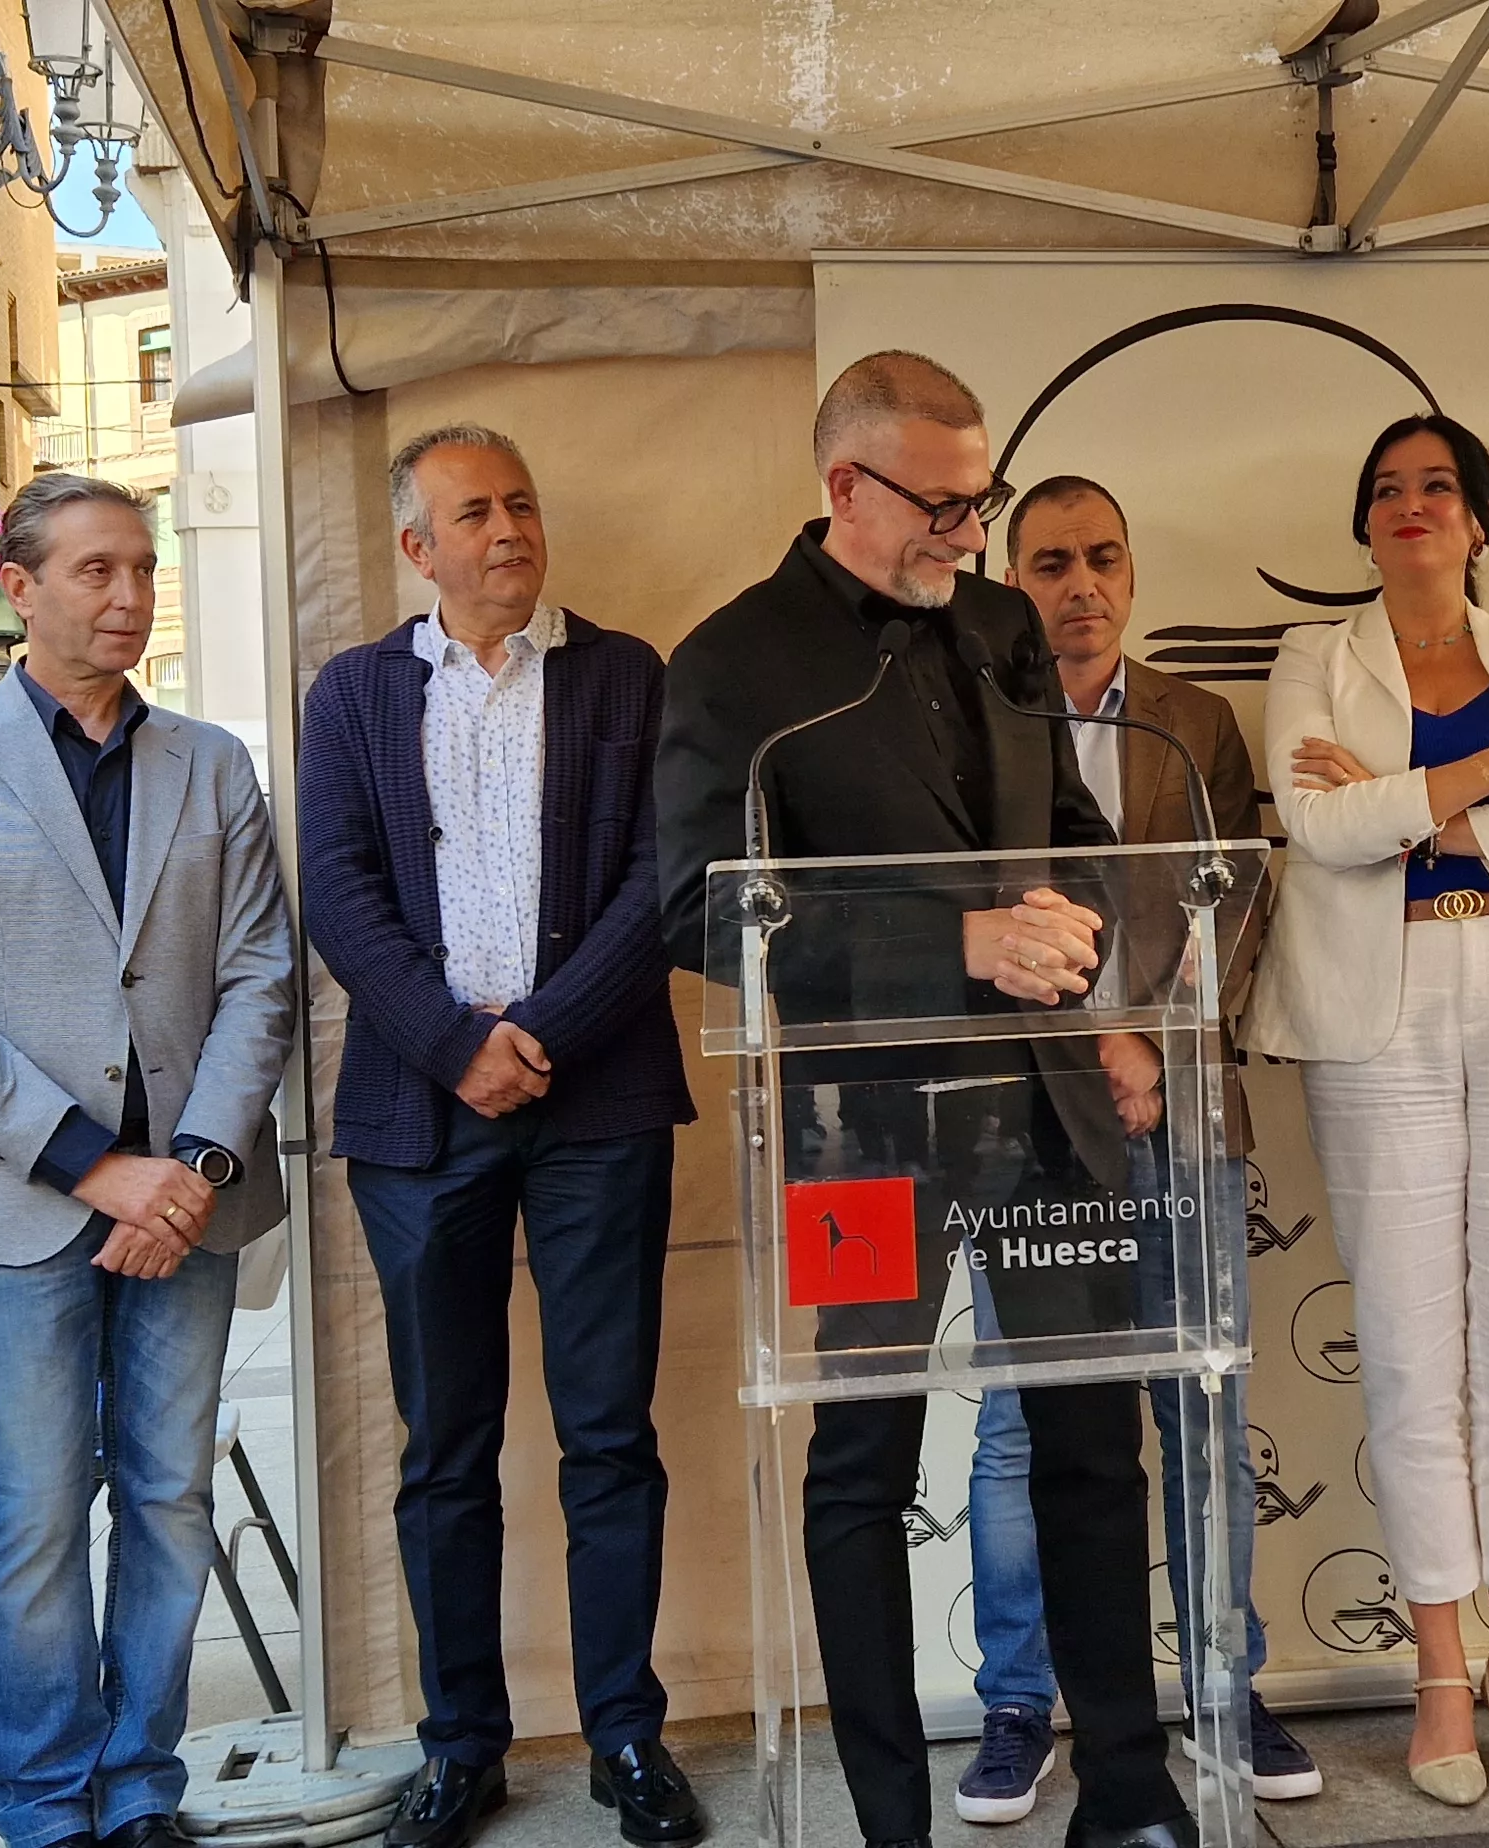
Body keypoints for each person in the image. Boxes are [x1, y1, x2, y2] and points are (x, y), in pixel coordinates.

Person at [653, 351, 1193, 1848]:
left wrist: (1085, 933)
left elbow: (1073, 828)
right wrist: (954, 941)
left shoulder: (1005, 627)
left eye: (983, 502)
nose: (971, 533)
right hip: (867, 1130)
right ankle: (890, 1818)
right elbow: (698, 913)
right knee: (865, 1462)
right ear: (846, 487)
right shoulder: (734, 666)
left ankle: (1132, 1797)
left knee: (1093, 1443)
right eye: (947, 507)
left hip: (1049, 1114)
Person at [0, 472, 299, 1848]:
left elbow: (262, 976)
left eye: (143, 570)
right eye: (96, 571)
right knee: (37, 1515)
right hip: (19, 1206)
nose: (126, 598)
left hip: (193, 1200)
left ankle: (141, 1787)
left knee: (169, 1502)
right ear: (22, 587)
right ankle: (46, 1806)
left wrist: (192, 1170)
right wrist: (94, 1166)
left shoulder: (213, 763)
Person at [299, 428, 703, 1848]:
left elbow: (670, 875)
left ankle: (628, 1740)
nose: (508, 527)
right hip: (421, 1117)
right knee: (444, 1448)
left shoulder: (625, 674)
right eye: (475, 511)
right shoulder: (351, 693)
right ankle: (462, 1744)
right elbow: (338, 891)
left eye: (523, 501)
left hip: (596, 1107)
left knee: (609, 1436)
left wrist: (544, 1032)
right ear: (419, 548)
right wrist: (457, 1043)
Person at [1250, 414, 1489, 1809]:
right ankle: (1435, 1673)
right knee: (1414, 1355)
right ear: (1364, 523)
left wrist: (1423, 814)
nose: (1411, 507)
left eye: (1438, 488)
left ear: (1480, 516)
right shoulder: (1317, 657)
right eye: (1386, 490)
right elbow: (1323, 831)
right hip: (1381, 1018)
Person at [954, 474, 1313, 1823]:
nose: (1079, 586)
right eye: (1049, 562)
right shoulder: (973, 719)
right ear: (1010, 577)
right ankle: (1015, 1701)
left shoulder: (1197, 721)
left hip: (1180, 1112)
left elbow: (1244, 904)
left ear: (1134, 575)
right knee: (1016, 1427)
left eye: (1102, 559)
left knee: (1201, 1408)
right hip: (1022, 1129)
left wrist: (1158, 1049)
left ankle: (1226, 1683)